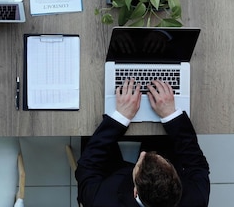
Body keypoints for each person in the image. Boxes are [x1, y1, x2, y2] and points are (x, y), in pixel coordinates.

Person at [76, 78, 210, 207]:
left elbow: (87, 167)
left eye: (140, 163)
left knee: (92, 132)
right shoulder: (196, 199)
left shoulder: (100, 200)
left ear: (135, 192)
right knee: (161, 136)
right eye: (165, 163)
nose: (143, 154)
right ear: (178, 182)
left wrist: (120, 118)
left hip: (114, 180)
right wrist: (170, 115)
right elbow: (197, 164)